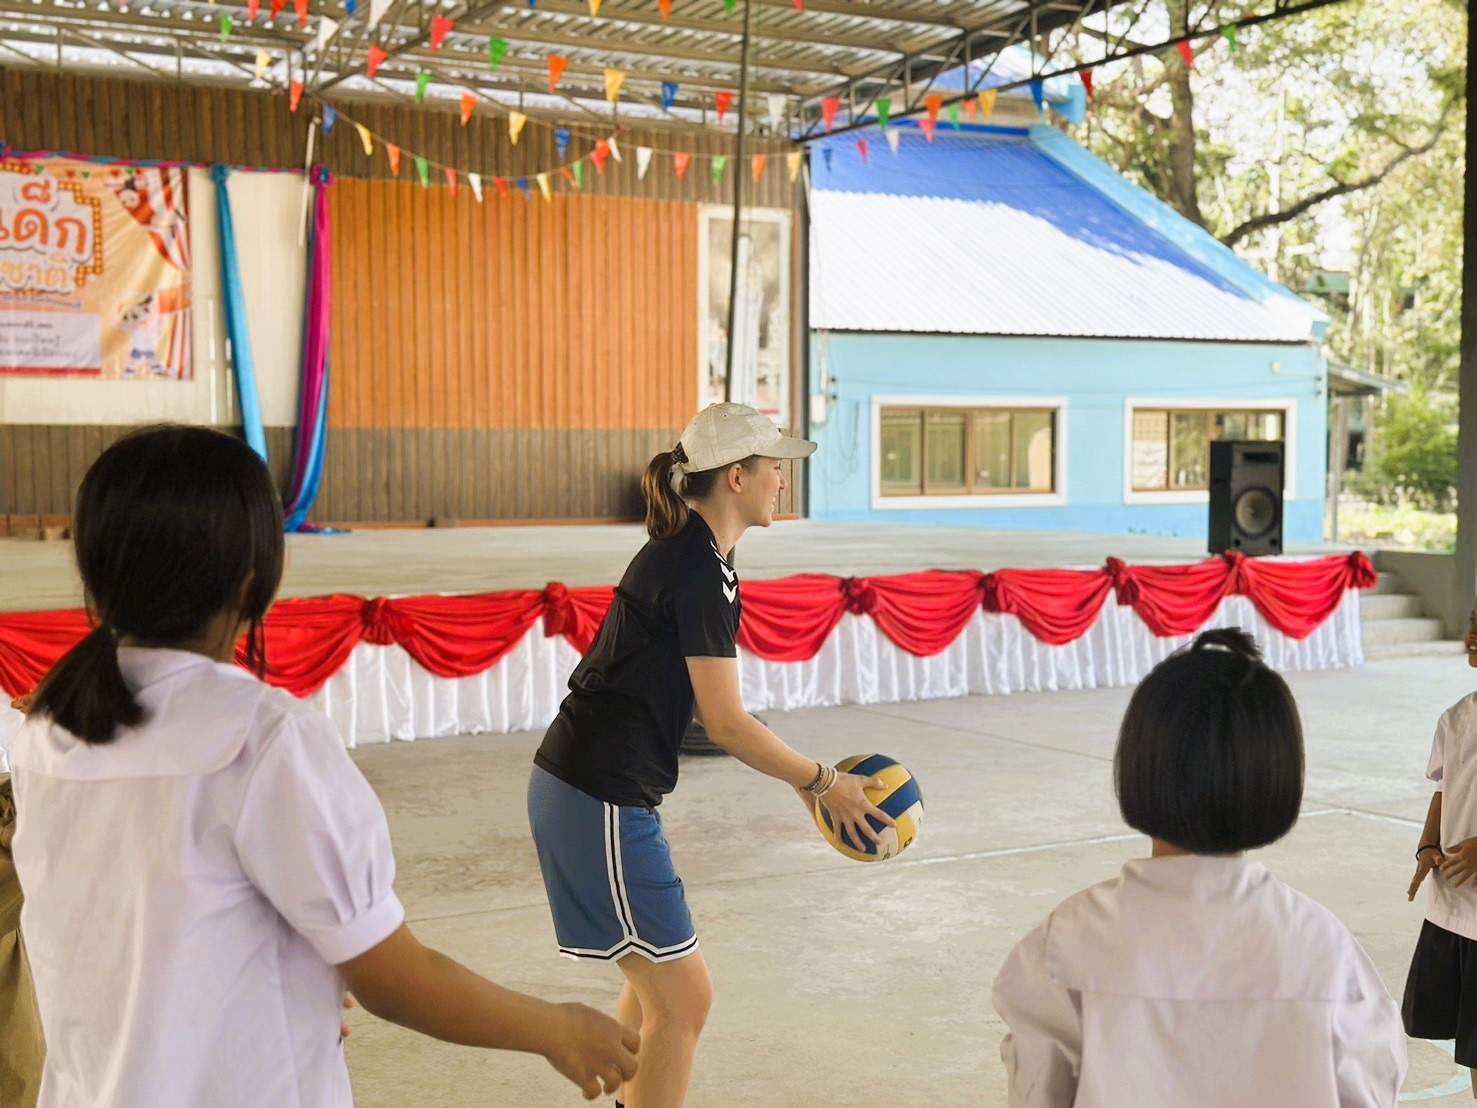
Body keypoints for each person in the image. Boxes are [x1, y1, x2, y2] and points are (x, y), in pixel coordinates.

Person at [7, 425, 639, 1107]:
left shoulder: (45, 728)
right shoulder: (265, 738)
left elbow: (155, 928)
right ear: (254, 584)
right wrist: (554, 1028)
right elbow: (393, 979)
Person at [528, 402, 894, 1108]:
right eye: (772, 467)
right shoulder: (695, 566)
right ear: (734, 478)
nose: (781, 481)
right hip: (594, 795)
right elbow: (723, 723)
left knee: (660, 990)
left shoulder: (700, 557)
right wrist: (824, 781)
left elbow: (712, 705)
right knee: (683, 999)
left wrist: (802, 783)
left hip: (599, 791)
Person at [992, 628, 1407, 1107]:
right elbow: (1373, 1088)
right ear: (1278, 776)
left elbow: (1036, 1092)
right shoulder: (1327, 951)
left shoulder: (1065, 943)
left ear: (1137, 768)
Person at [1403, 597, 1477, 1098]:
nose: (1471, 634)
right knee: (1472, 1047)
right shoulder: (1457, 718)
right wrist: (1428, 845)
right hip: (1458, 905)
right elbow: (1445, 788)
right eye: (1473, 622)